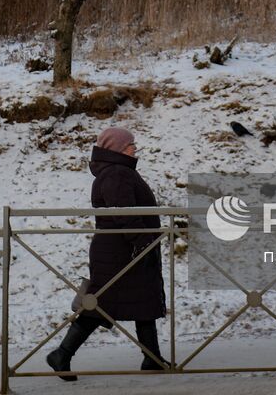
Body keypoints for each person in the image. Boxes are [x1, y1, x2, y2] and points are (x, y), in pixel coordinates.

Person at [46, 126, 168, 381]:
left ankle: (152, 358)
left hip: (123, 249)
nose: (134, 148)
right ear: (116, 149)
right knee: (100, 305)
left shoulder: (118, 171)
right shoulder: (116, 174)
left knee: (142, 300)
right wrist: (142, 241)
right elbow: (123, 212)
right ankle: (62, 353)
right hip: (120, 251)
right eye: (129, 145)